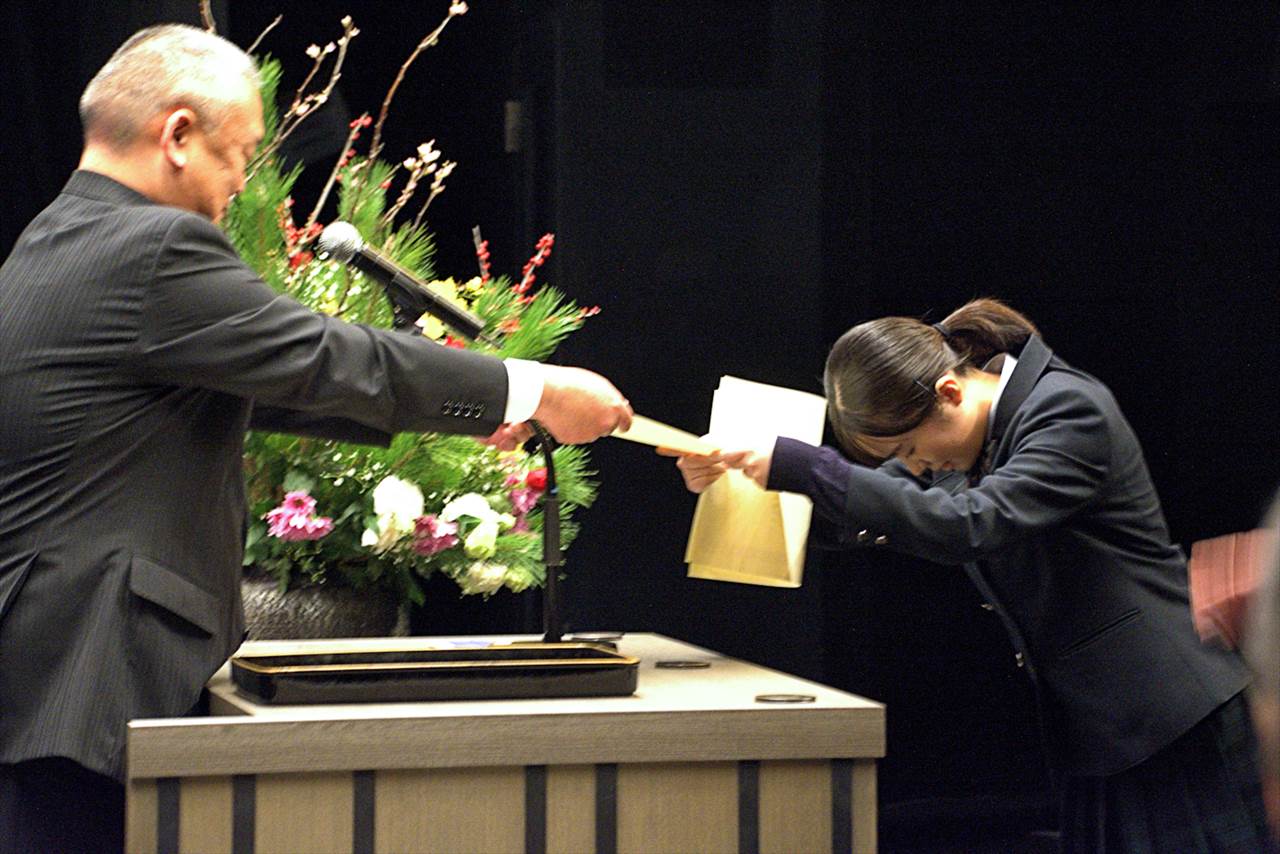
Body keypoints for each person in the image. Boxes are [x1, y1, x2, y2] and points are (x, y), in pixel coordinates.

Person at [0, 24, 631, 853]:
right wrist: (534, 388)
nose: (243, 182)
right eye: (239, 155)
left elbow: (248, 391)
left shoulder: (56, 236)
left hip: (44, 668)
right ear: (178, 135)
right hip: (86, 673)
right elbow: (324, 356)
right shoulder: (154, 246)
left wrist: (476, 416)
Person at [665, 298, 1274, 852]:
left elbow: (968, 524)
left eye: (908, 450)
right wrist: (744, 482)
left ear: (949, 392)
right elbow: (890, 504)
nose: (916, 466)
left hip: (1170, 717)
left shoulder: (1066, 410)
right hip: (1102, 728)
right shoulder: (973, 437)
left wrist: (808, 468)